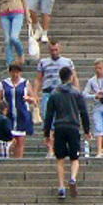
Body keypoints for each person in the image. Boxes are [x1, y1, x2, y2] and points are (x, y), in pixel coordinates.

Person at [43, 65, 91, 198]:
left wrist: (47, 133)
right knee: (75, 157)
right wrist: (87, 129)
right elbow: (84, 112)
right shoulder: (76, 93)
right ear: (71, 77)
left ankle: (61, 186)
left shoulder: (54, 94)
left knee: (60, 158)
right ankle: (73, 178)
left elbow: (49, 115)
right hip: (73, 126)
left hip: (59, 127)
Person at [36, 40, 77, 145]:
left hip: (63, 93)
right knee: (48, 119)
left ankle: (59, 144)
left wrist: (77, 92)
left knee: (61, 119)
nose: (54, 52)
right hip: (48, 93)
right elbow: (39, 79)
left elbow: (74, 77)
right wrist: (35, 93)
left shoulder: (67, 62)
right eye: (52, 50)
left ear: (60, 49)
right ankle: (50, 148)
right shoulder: (43, 62)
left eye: (56, 50)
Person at [0, 61, 36, 159]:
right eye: (13, 72)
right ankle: (7, 158)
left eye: (17, 72)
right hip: (8, 114)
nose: (15, 74)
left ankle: (18, 159)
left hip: (22, 114)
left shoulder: (25, 83)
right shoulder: (4, 83)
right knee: (8, 139)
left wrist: (28, 99)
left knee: (20, 141)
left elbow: (33, 99)